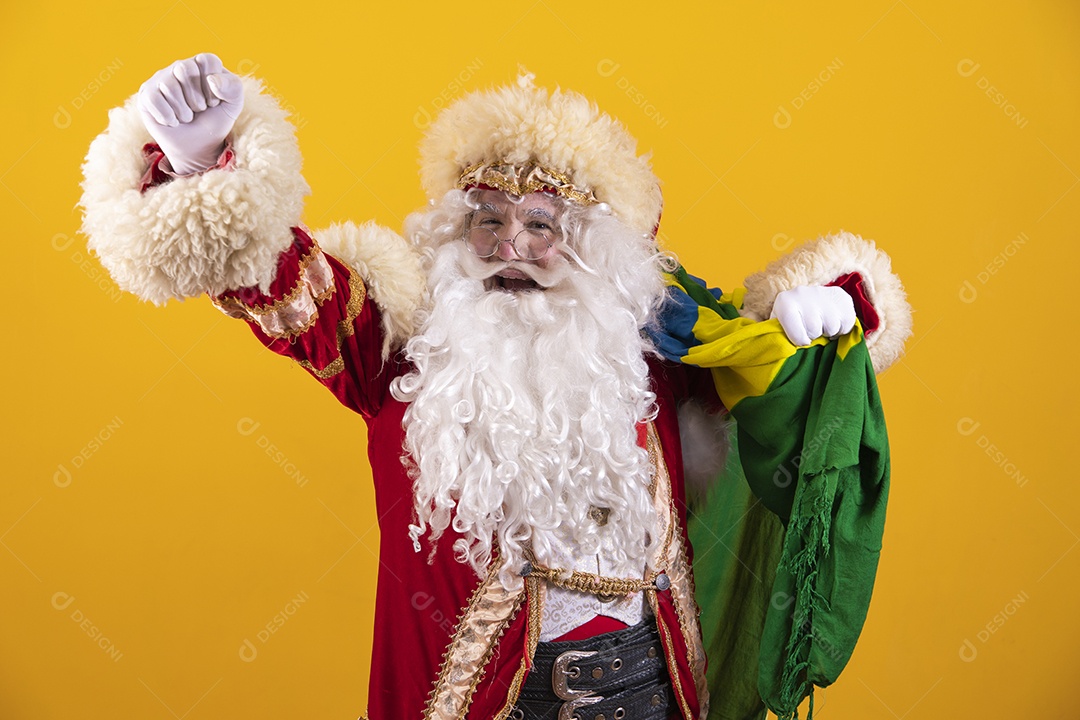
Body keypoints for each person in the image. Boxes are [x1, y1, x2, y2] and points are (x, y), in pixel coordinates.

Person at [80, 53, 911, 720]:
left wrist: (832, 310)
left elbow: (783, 391)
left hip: (654, 689)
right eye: (489, 218)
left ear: (592, 246)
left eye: (542, 224)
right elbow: (298, 296)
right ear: (456, 229)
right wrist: (204, 170)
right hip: (485, 700)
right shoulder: (401, 349)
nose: (510, 244)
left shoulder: (653, 353)